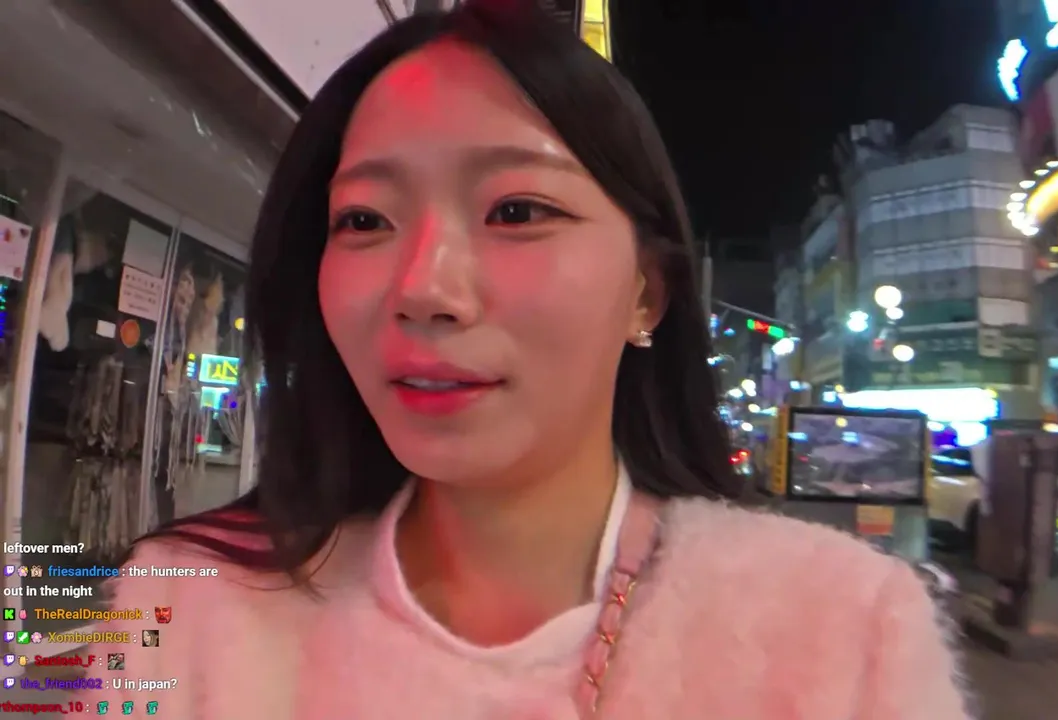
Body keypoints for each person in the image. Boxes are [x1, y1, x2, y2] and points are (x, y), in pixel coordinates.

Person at [88, 1, 967, 717]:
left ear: (646, 293)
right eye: (364, 219)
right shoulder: (181, 608)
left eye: (516, 211)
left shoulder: (844, 634)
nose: (423, 288)